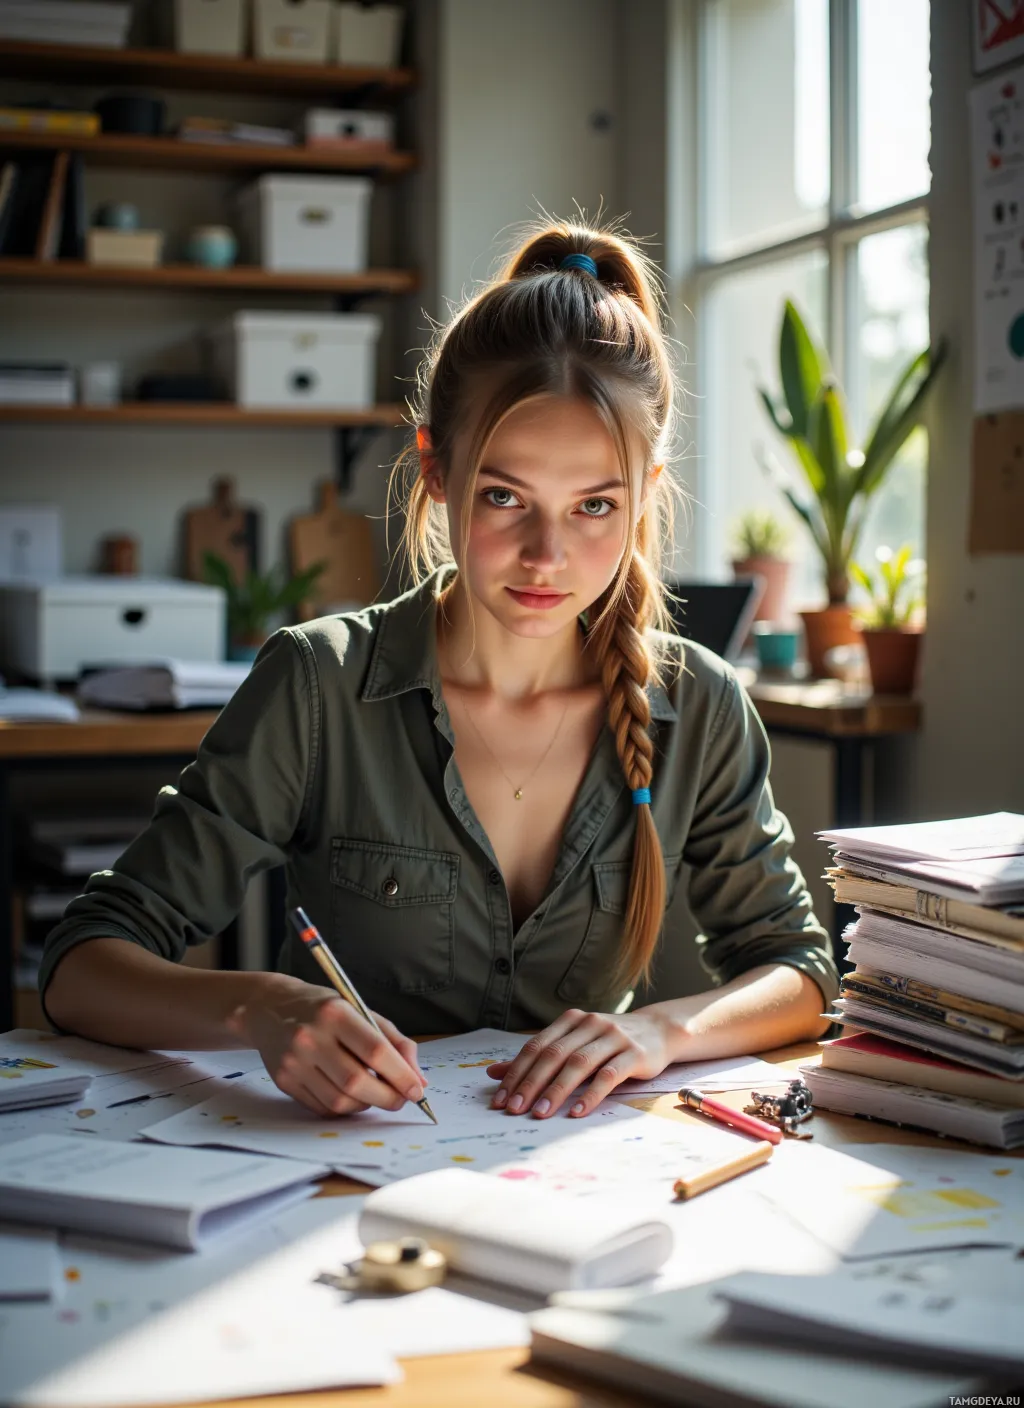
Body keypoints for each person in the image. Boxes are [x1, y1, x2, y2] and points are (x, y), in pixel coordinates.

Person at [40, 218, 838, 1124]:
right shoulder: (316, 687)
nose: (547, 555)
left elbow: (799, 969)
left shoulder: (699, 703)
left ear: (645, 494)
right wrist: (261, 1006)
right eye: (505, 497)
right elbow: (80, 963)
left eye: (593, 506)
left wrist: (664, 1031)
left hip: (586, 1191)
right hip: (345, 1189)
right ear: (435, 470)